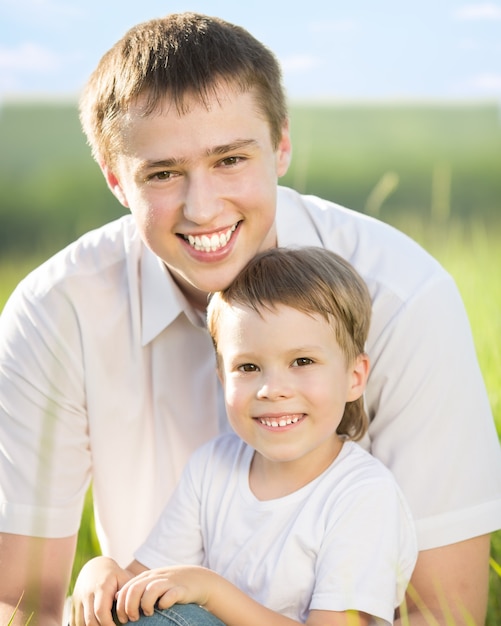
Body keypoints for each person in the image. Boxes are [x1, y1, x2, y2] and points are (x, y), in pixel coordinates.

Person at [0, 11, 500, 625]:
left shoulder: (404, 297)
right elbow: (21, 603)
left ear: (282, 145)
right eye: (161, 173)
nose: (203, 207)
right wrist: (102, 575)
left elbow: (444, 613)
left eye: (230, 159)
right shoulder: (57, 312)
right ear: (116, 181)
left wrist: (208, 594)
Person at [72, 247, 418, 626]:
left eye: (302, 361)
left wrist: (211, 591)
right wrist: (100, 572)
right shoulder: (211, 468)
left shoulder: (362, 494)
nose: (272, 389)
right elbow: (146, 586)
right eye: (248, 366)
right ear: (222, 377)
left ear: (354, 377)